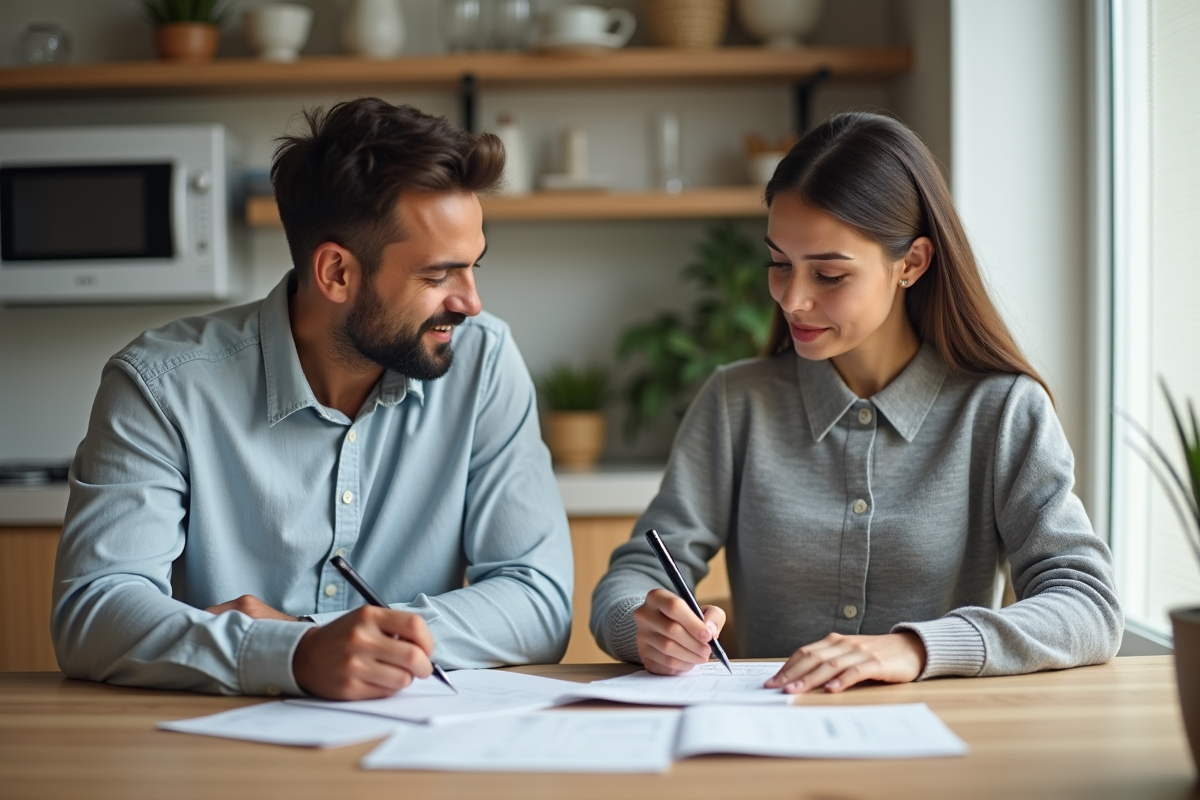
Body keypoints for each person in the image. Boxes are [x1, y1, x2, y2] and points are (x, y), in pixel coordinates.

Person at [52, 98, 573, 699]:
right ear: (336, 274)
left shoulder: (483, 363)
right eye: (437, 276)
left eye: (474, 266)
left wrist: (307, 637)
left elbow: (537, 599)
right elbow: (94, 611)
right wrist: (296, 657)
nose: (471, 303)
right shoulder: (160, 385)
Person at [591, 111, 1122, 692]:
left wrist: (916, 648)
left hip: (939, 734)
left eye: (829, 275)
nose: (792, 299)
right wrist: (641, 625)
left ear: (911, 264)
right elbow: (634, 576)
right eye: (779, 264)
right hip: (771, 731)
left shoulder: (1001, 410)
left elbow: (1089, 606)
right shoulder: (736, 403)